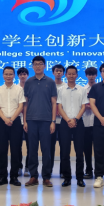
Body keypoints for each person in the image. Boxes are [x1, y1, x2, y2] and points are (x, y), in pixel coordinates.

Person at [23, 56, 58, 187]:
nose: (38, 66)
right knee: (32, 150)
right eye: (35, 64)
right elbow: (25, 103)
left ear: (45, 66)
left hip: (46, 121)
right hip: (31, 120)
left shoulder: (50, 82)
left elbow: (54, 103)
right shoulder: (28, 82)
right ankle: (33, 176)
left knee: (46, 150)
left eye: (40, 64)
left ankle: (46, 177)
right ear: (32, 66)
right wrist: (25, 121)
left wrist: (53, 121)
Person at [0, 66, 25, 186]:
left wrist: (11, 119)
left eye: (10, 74)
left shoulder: (19, 89)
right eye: (6, 74)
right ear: (3, 75)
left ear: (14, 75)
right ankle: (2, 177)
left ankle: (14, 177)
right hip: (2, 122)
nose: (8, 76)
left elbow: (21, 106)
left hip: (15, 122)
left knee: (15, 149)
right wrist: (5, 119)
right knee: (2, 150)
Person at [57, 66, 88, 187]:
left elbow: (84, 106)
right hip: (64, 123)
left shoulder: (82, 89)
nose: (71, 76)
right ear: (65, 75)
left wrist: (75, 119)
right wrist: (68, 120)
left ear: (77, 75)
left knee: (79, 152)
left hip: (78, 123)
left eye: (73, 74)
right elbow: (59, 107)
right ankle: (67, 178)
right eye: (69, 74)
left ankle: (80, 178)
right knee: (65, 152)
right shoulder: (61, 90)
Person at [51, 64, 66, 176]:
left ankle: (63, 171)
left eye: (60, 71)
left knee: (64, 146)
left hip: (63, 121)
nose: (58, 73)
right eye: (56, 71)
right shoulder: (49, 85)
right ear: (53, 72)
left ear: (63, 73)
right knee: (50, 146)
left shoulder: (66, 86)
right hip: (50, 121)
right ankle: (49, 170)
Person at [82, 67, 97, 179]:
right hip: (85, 122)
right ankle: (88, 170)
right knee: (87, 149)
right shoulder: (82, 89)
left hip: (97, 122)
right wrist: (84, 106)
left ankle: (98, 171)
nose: (91, 76)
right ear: (86, 76)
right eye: (89, 74)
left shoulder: (100, 88)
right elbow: (79, 104)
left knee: (98, 149)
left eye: (93, 74)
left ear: (96, 75)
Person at [16, 67, 29, 177]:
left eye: (24, 74)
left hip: (29, 120)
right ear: (18, 76)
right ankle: (19, 166)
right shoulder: (15, 88)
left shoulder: (31, 87)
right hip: (17, 120)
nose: (23, 76)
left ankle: (28, 167)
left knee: (30, 145)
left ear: (27, 75)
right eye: (21, 74)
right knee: (17, 145)